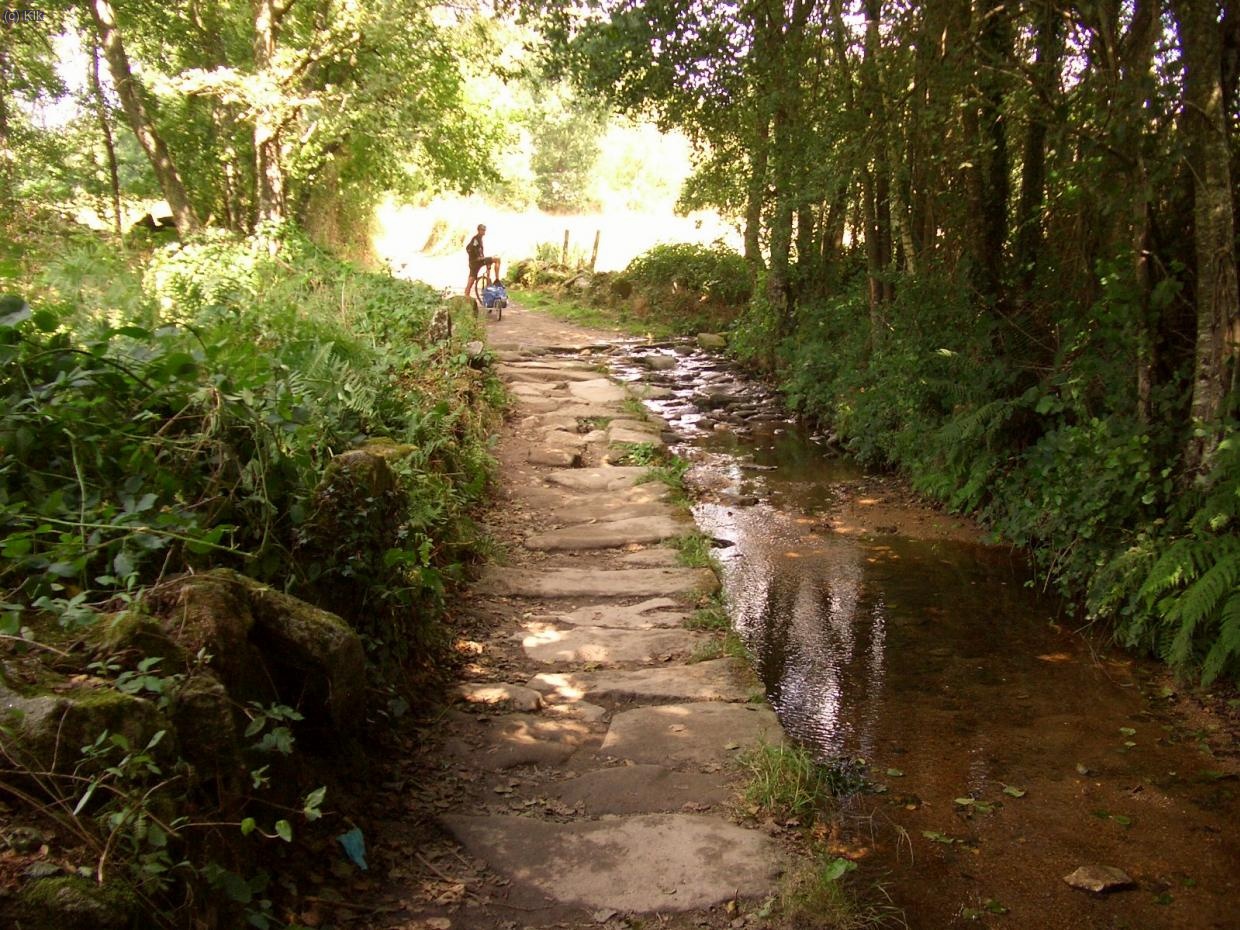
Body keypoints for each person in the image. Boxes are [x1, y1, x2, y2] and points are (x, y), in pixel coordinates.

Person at [465, 224, 500, 300]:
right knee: (472, 278)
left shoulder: (479, 239)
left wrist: (481, 257)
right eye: (482, 230)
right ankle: (466, 294)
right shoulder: (475, 239)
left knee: (496, 259)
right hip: (475, 262)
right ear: (478, 230)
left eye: (484, 230)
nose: (484, 231)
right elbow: (471, 249)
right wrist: (477, 257)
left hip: (478, 261)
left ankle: (490, 282)